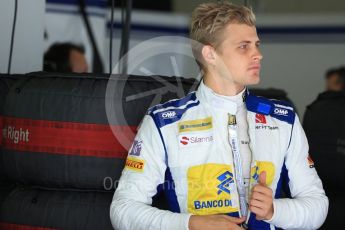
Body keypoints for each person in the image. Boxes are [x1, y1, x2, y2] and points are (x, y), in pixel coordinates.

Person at [110, 2, 328, 230]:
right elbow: (123, 210)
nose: (259, 55)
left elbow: (317, 206)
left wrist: (275, 210)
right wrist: (192, 224)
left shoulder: (283, 120)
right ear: (210, 54)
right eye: (244, 47)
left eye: (257, 45)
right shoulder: (164, 123)